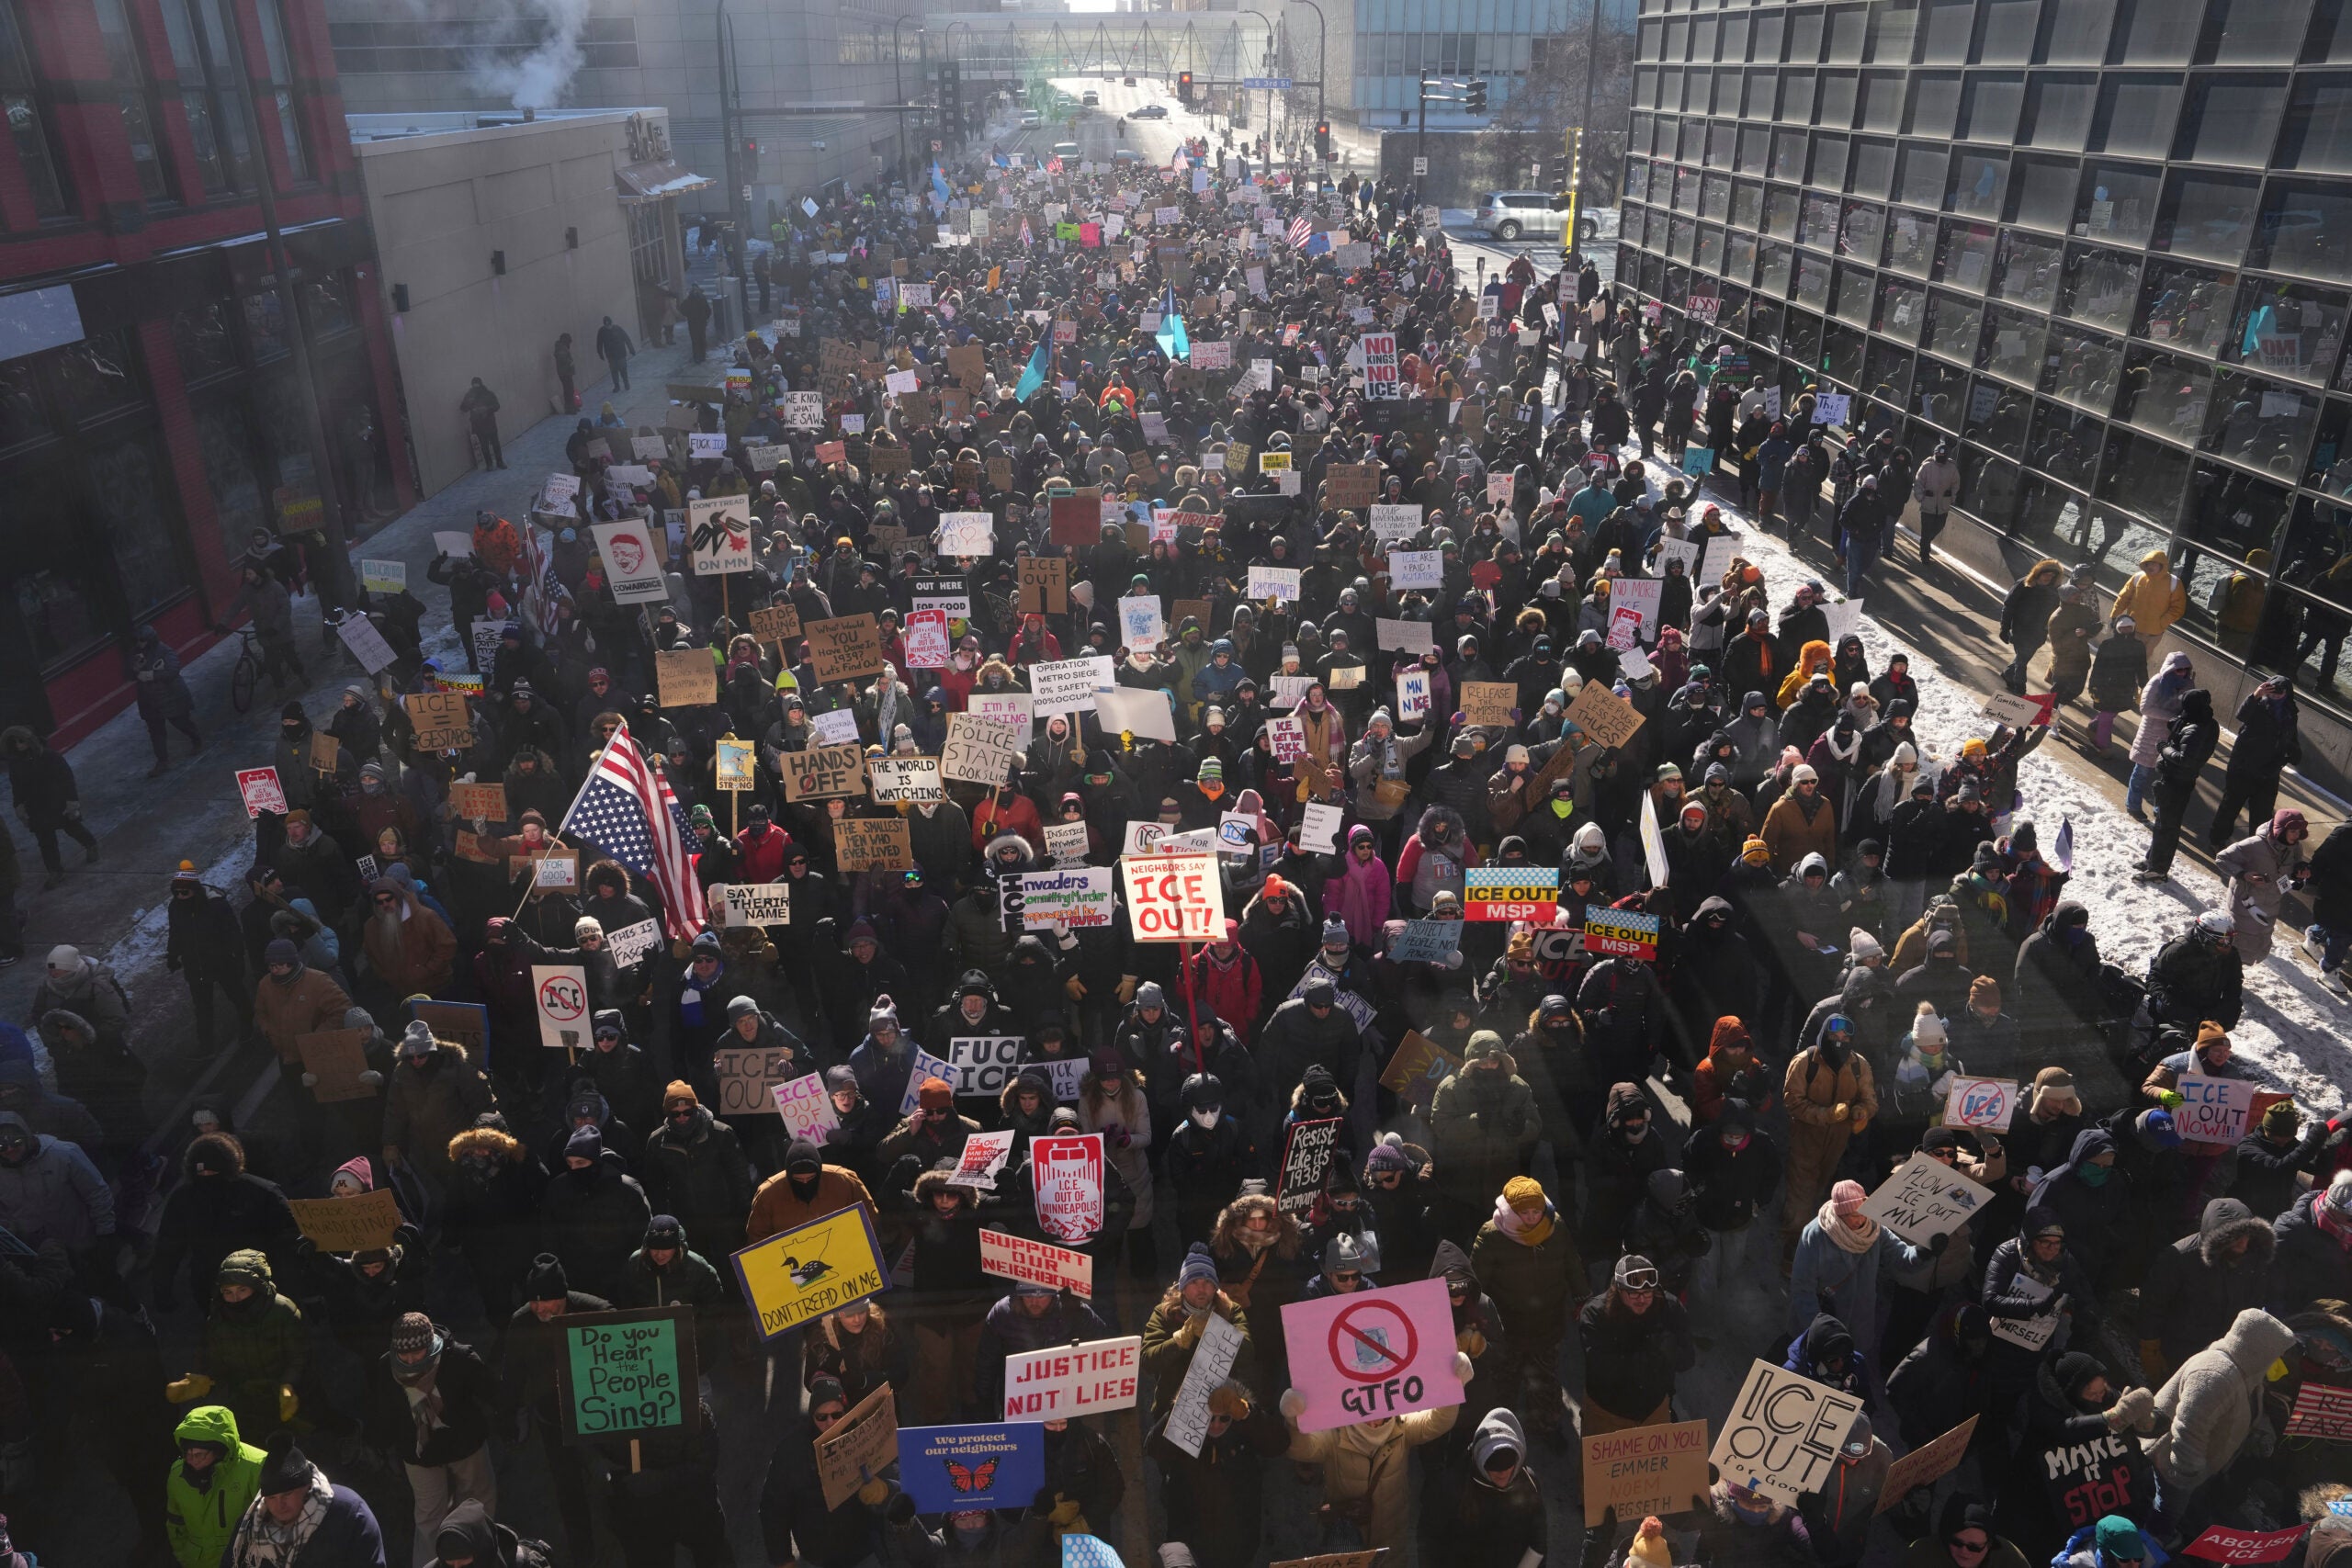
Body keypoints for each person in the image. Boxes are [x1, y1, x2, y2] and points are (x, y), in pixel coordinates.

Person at [223, 1434, 387, 1567]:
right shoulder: (252, 1525)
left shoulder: (348, 1513)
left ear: (307, 1487)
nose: (280, 1505)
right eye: (272, 1498)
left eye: (287, 1495)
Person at [166, 1404, 267, 1568]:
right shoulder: (177, 1473)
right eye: (188, 1454)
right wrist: (183, 1556)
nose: (192, 1460)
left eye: (199, 1454)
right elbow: (175, 1521)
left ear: (219, 1450)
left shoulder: (257, 1467)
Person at [132, 625, 203, 776]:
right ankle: (162, 761)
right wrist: (135, 667)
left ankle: (196, 739)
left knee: (181, 722)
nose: (139, 644)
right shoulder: (138, 653)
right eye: (138, 640)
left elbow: (173, 670)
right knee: (156, 731)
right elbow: (128, 672)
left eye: (142, 640)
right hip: (150, 701)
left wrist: (151, 675)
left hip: (170, 696)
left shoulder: (164, 651)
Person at [459, 378, 505, 470]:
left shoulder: (488, 394)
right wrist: (468, 402)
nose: (476, 387)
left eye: (477, 385)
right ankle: (489, 464)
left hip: (490, 423)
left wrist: (486, 409)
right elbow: (463, 408)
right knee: (484, 446)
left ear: (481, 384)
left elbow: (497, 406)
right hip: (478, 424)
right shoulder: (469, 395)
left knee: (495, 444)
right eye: (474, 385)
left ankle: (500, 462)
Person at [595, 313, 636, 391]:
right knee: (614, 371)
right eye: (607, 326)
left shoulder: (617, 328)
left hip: (621, 354)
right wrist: (600, 353)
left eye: (609, 325)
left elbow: (626, 338)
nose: (608, 327)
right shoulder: (602, 331)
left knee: (623, 369)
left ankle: (626, 383)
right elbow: (599, 343)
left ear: (611, 323)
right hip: (611, 355)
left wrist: (631, 349)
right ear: (604, 325)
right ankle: (617, 386)